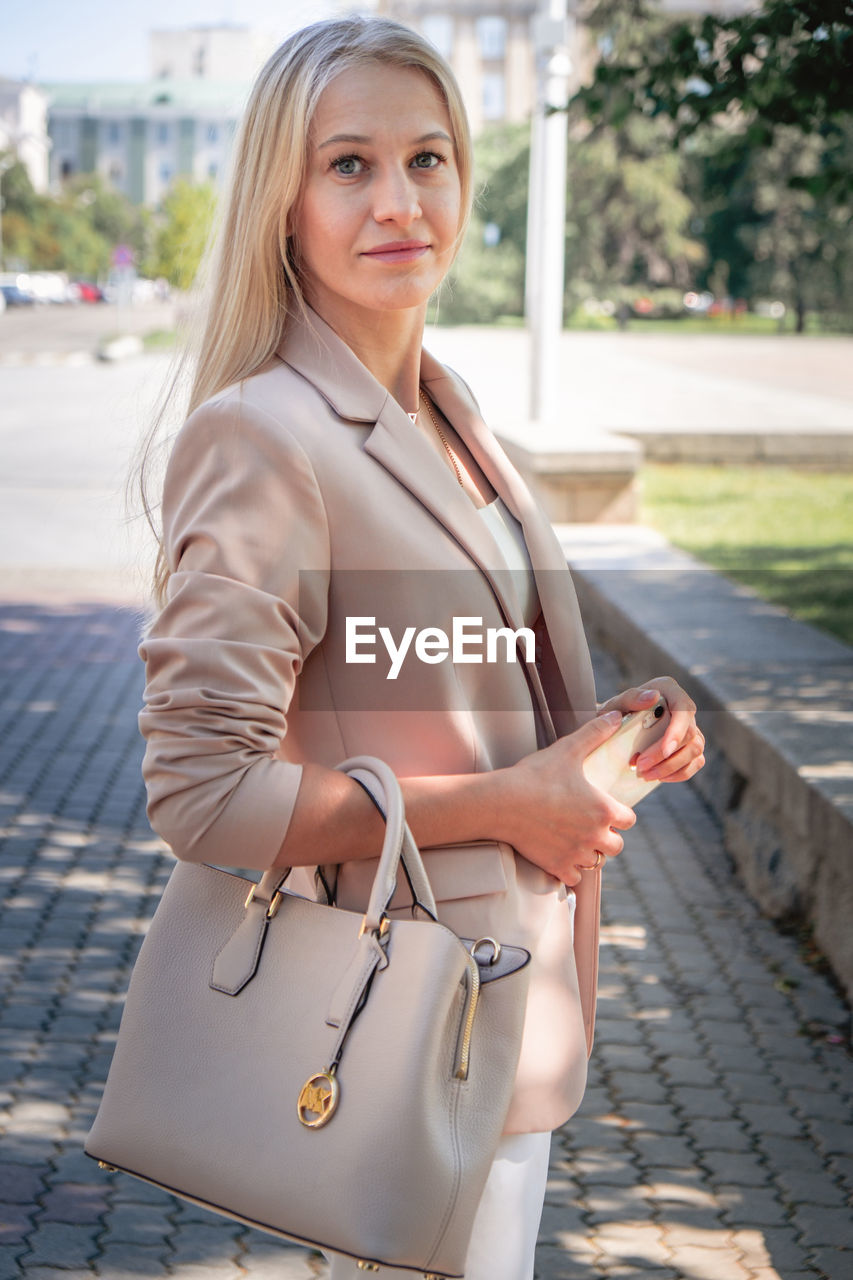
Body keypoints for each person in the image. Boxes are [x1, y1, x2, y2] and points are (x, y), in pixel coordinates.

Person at [137, 15, 705, 1280]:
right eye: (348, 165)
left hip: (514, 1007)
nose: (399, 200)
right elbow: (201, 792)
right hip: (391, 1026)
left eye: (428, 158)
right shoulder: (264, 437)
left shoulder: (452, 416)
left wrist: (603, 728)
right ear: (283, 202)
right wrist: (514, 801)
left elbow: (420, 675)